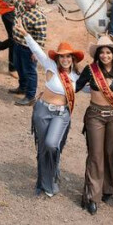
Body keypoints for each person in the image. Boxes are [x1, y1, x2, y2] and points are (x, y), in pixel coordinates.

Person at [21, 33, 83, 198]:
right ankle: (45, 183)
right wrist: (25, 34)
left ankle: (52, 171)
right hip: (42, 111)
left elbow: (94, 88)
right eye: (62, 56)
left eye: (68, 56)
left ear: (73, 58)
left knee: (51, 144)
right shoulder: (50, 66)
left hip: (61, 115)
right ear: (57, 58)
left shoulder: (77, 76)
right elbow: (36, 49)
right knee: (43, 147)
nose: (65, 59)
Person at [73, 37, 113, 215]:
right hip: (95, 115)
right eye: (102, 52)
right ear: (97, 54)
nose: (105, 55)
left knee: (110, 153)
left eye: (108, 52)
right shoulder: (91, 70)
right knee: (95, 155)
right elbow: (75, 87)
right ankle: (91, 196)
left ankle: (107, 188)